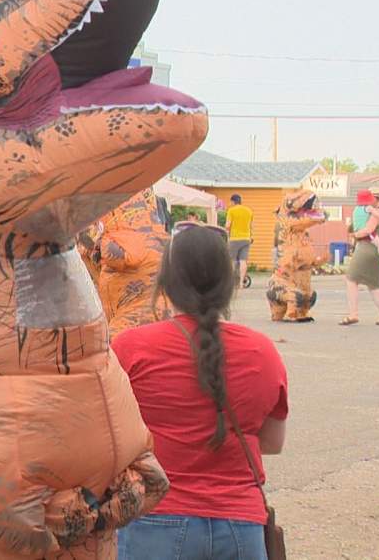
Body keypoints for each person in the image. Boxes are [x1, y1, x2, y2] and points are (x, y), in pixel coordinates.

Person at [113, 224, 288, 559]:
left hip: (155, 518)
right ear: (230, 284)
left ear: (165, 282)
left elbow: (108, 438)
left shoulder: (131, 347)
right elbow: (272, 442)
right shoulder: (262, 351)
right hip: (241, 526)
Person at [340, 187, 379, 326]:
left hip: (368, 249)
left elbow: (368, 230)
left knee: (351, 279)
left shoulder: (375, 213)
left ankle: (353, 314)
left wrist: (354, 235)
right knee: (373, 285)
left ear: (375, 198)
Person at [225, 194, 254, 288]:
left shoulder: (231, 210)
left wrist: (227, 229)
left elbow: (228, 226)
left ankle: (233, 282)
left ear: (233, 201)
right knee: (243, 260)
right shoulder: (249, 211)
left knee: (232, 260)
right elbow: (250, 226)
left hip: (234, 239)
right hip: (246, 238)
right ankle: (241, 283)